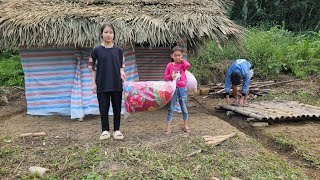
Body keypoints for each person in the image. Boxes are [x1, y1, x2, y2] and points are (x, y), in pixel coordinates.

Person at [89, 23, 126, 140]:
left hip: (116, 83)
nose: (108, 35)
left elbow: (121, 67)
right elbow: (93, 68)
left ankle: (117, 130)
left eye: (111, 32)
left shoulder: (119, 50)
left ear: (114, 35)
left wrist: (122, 73)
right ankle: (105, 130)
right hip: (102, 83)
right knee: (103, 108)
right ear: (101, 34)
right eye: (106, 32)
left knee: (117, 108)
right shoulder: (96, 50)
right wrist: (93, 83)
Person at [164, 46, 191, 134]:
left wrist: (182, 60)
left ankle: (185, 125)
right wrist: (171, 76)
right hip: (173, 89)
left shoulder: (183, 65)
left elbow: (188, 65)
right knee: (171, 108)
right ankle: (168, 127)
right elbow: (165, 77)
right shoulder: (169, 65)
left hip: (182, 89)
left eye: (179, 55)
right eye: (175, 55)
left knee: (183, 107)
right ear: (171, 56)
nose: (177, 57)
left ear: (181, 55)